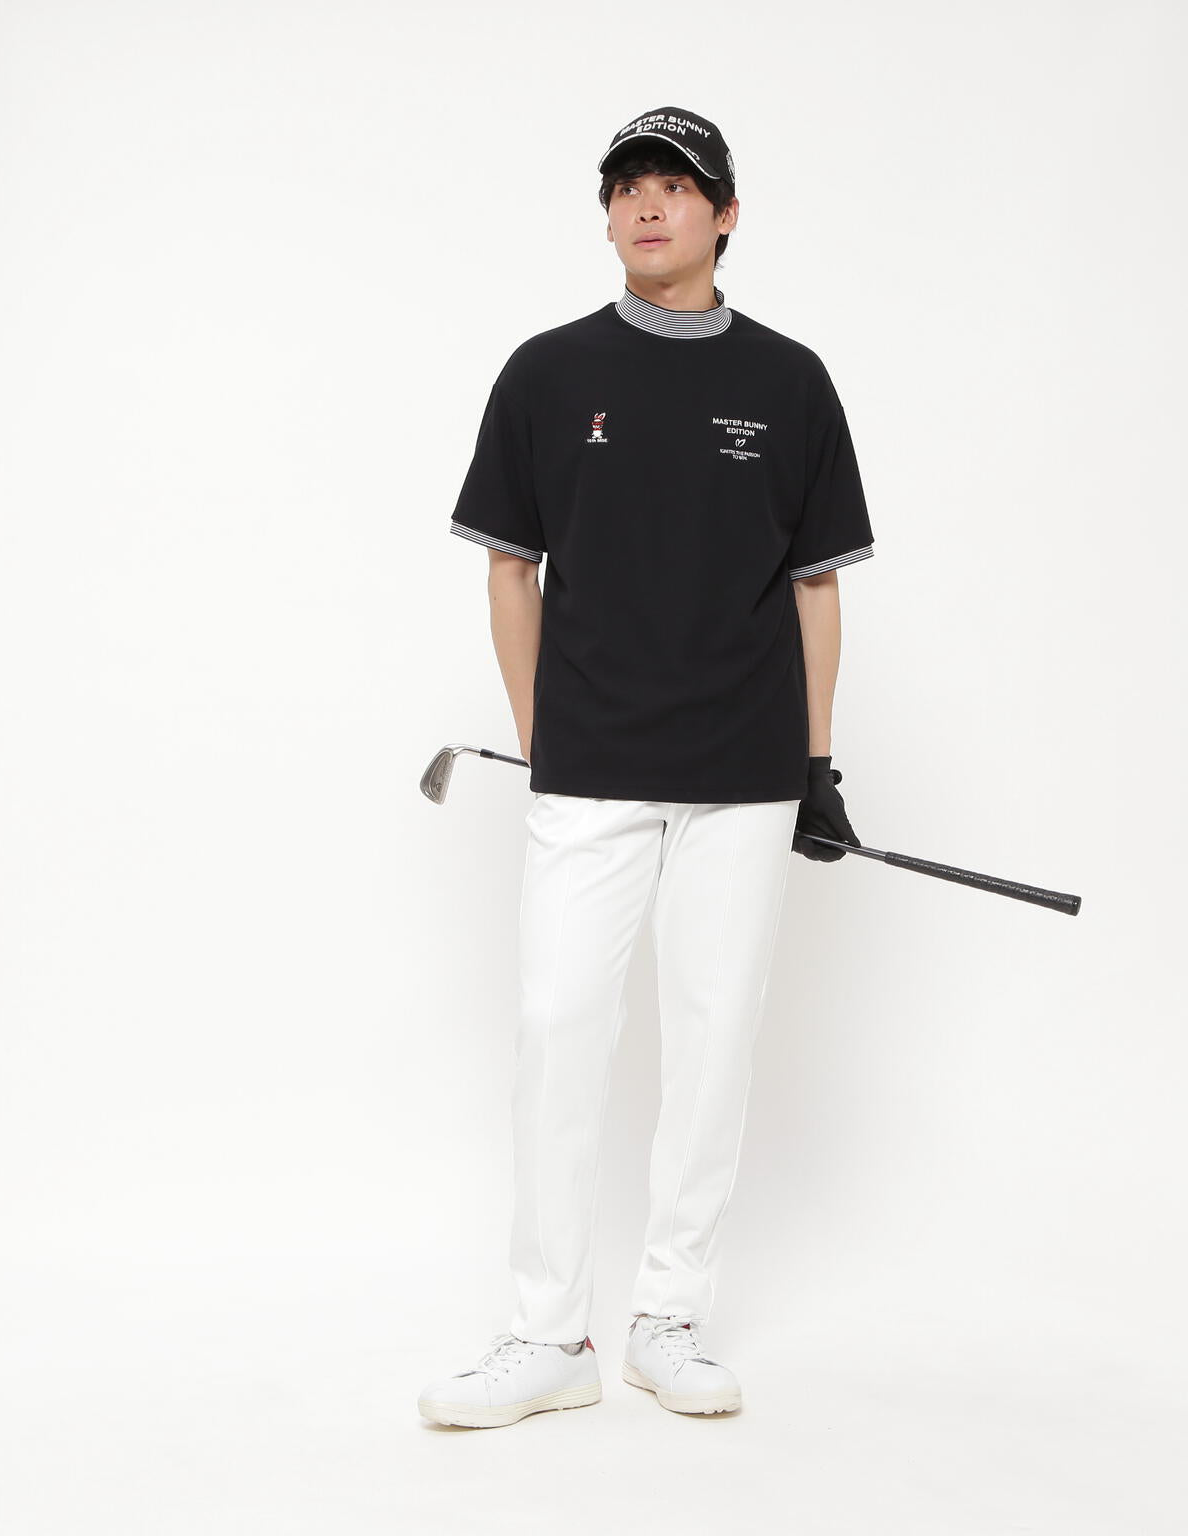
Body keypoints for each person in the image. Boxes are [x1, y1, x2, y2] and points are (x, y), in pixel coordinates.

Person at [418, 106, 874, 1429]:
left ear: (725, 216)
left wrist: (818, 766)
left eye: (676, 187)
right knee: (558, 1030)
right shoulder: (548, 373)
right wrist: (547, 735)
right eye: (627, 188)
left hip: (745, 775)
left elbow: (817, 589)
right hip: (592, 770)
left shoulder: (791, 381)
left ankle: (668, 1317)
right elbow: (510, 571)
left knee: (714, 1039)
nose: (648, 207)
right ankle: (547, 1336)